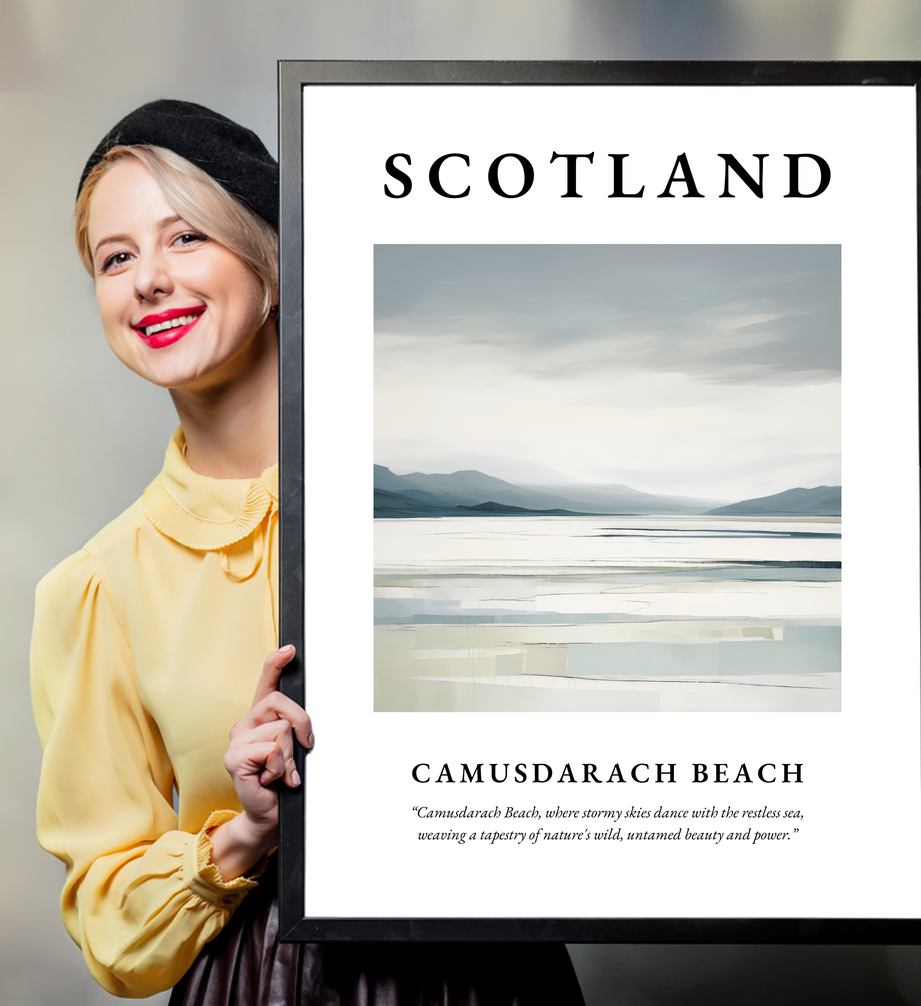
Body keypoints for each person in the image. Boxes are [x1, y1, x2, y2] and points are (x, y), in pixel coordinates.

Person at [30, 100, 585, 1004]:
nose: (148, 281)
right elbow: (110, 923)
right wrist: (245, 832)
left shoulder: (444, 504)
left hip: (491, 973)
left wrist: (885, 708)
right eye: (116, 257)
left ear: (273, 264)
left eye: (186, 239)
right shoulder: (98, 587)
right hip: (263, 982)